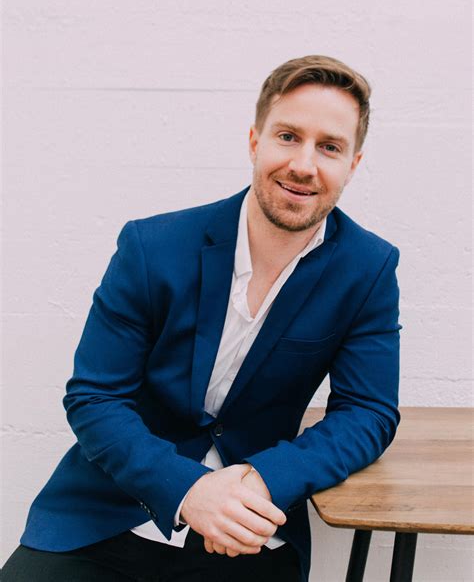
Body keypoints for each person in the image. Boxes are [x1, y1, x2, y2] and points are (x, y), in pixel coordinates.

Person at [2, 55, 401, 582]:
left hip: (251, 528)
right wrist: (188, 490)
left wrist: (263, 479)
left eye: (329, 147)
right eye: (288, 137)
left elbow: (368, 412)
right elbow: (95, 397)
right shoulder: (152, 247)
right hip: (111, 514)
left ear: (353, 164)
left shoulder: (368, 269)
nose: (304, 165)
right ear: (255, 141)